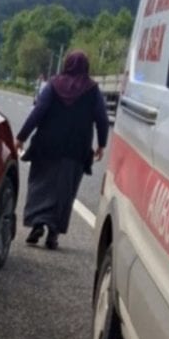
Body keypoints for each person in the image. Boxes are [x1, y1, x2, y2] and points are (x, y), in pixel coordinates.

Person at [15, 51, 109, 249]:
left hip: (46, 145)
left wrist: (21, 137)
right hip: (76, 149)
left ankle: (37, 224)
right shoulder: (92, 90)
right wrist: (101, 144)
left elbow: (38, 111)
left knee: (40, 184)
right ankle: (53, 233)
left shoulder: (53, 85)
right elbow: (102, 118)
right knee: (65, 191)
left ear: (66, 64)